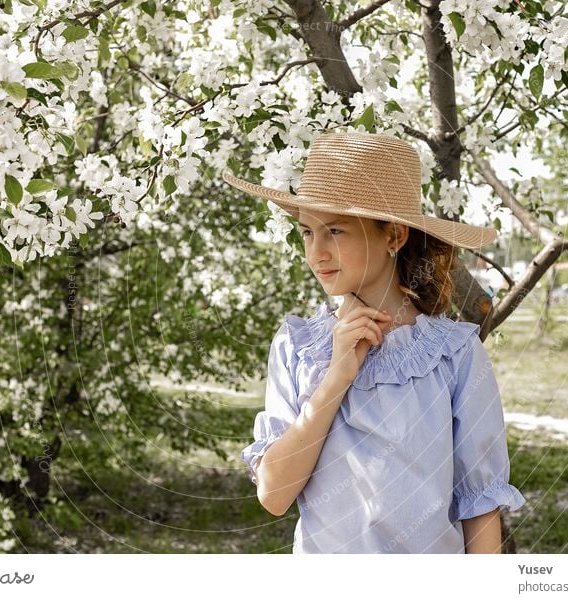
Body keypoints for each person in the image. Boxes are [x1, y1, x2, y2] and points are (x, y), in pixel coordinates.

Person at [222, 131, 526, 554]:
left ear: (394, 236)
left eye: (336, 231)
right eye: (307, 233)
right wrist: (335, 377)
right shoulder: (297, 348)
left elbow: (480, 504)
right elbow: (274, 495)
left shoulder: (455, 354)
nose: (317, 254)